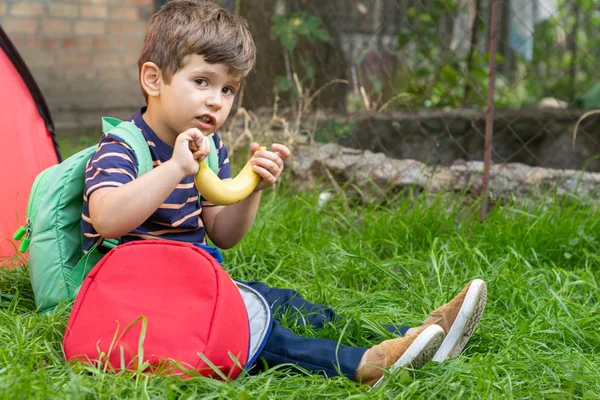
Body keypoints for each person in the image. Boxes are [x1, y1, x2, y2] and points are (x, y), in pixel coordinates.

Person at [80, 0, 487, 387]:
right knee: (259, 329)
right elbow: (108, 218)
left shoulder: (210, 146)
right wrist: (173, 169)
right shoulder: (122, 146)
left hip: (200, 278)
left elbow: (222, 234)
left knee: (287, 303)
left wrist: (252, 188)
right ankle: (368, 365)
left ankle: (417, 336)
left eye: (228, 90)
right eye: (202, 81)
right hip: (142, 295)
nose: (215, 101)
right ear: (154, 79)